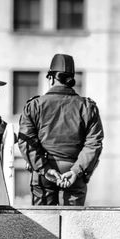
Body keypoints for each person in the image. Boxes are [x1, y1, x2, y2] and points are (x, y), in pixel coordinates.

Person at [18, 54, 104, 206]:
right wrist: (76, 171)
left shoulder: (35, 106)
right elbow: (94, 143)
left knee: (43, 225)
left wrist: (45, 169)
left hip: (44, 170)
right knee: (74, 225)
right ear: (71, 80)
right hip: (74, 171)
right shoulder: (87, 107)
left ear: (50, 78)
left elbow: (27, 142)